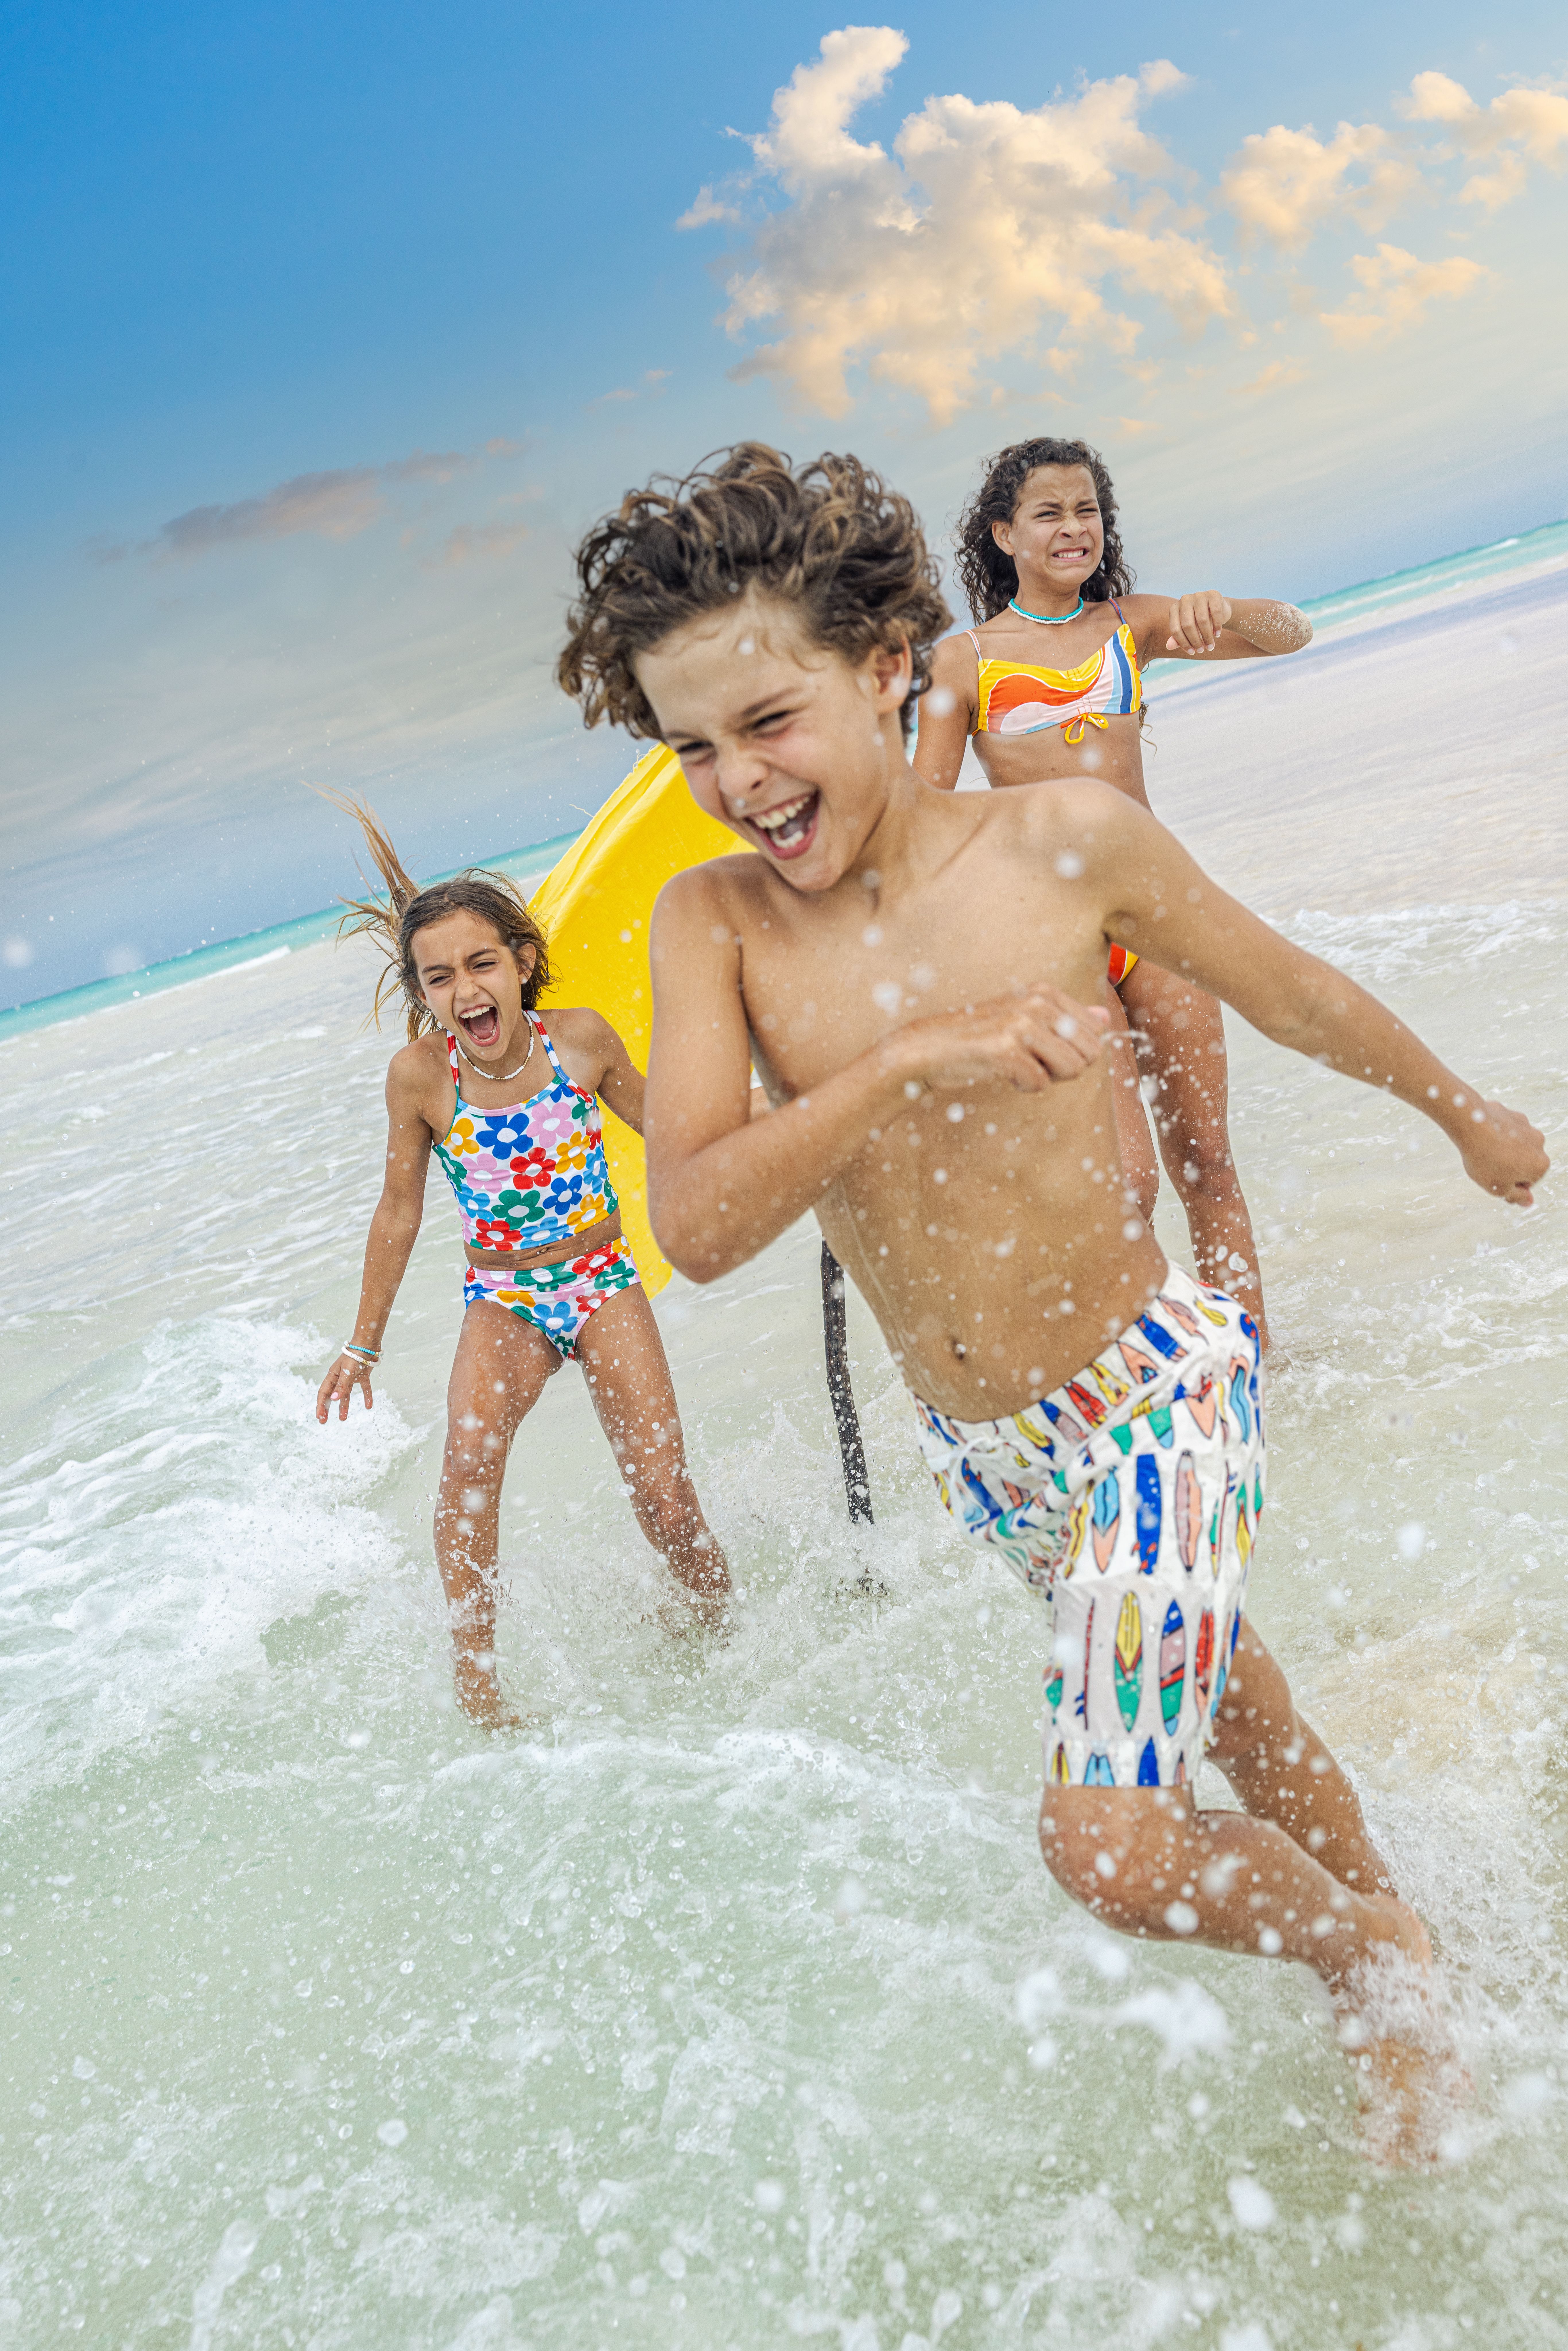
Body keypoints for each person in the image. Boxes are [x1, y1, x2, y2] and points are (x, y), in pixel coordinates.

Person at [555, 443, 1548, 2152]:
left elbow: (1291, 991)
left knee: (1108, 1844)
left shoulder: (1061, 846)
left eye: (768, 721)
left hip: (1155, 1393)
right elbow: (699, 1220)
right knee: (1223, 1696)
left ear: (889, 667)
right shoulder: (711, 921)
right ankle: (1401, 1939)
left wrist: (1465, 1116)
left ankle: (1365, 1949)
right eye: (691, 747)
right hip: (990, 1450)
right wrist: (901, 1064)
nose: (738, 780)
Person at [314, 801, 730, 1728]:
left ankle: (721, 1628)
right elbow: (398, 1212)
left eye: (481, 964)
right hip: (503, 1298)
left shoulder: (579, 1040)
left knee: (664, 1498)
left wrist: (790, 1136)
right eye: (439, 977)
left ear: (522, 963)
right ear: (423, 993)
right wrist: (363, 1344)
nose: (465, 989)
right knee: (467, 1465)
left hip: (602, 1282)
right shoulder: (421, 1078)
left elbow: (673, 1131)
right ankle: (481, 1692)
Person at [915, 436, 1313, 1348]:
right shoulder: (963, 663)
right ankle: (1153, 1369)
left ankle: (1252, 1370)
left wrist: (1230, 608)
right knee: (1127, 1187)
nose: (1074, 528)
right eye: (1049, 512)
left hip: (1162, 918)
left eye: (1087, 510)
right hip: (1057, 943)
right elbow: (921, 823)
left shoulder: (1132, 626)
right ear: (1003, 534)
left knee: (1208, 1164)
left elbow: (1295, 633)